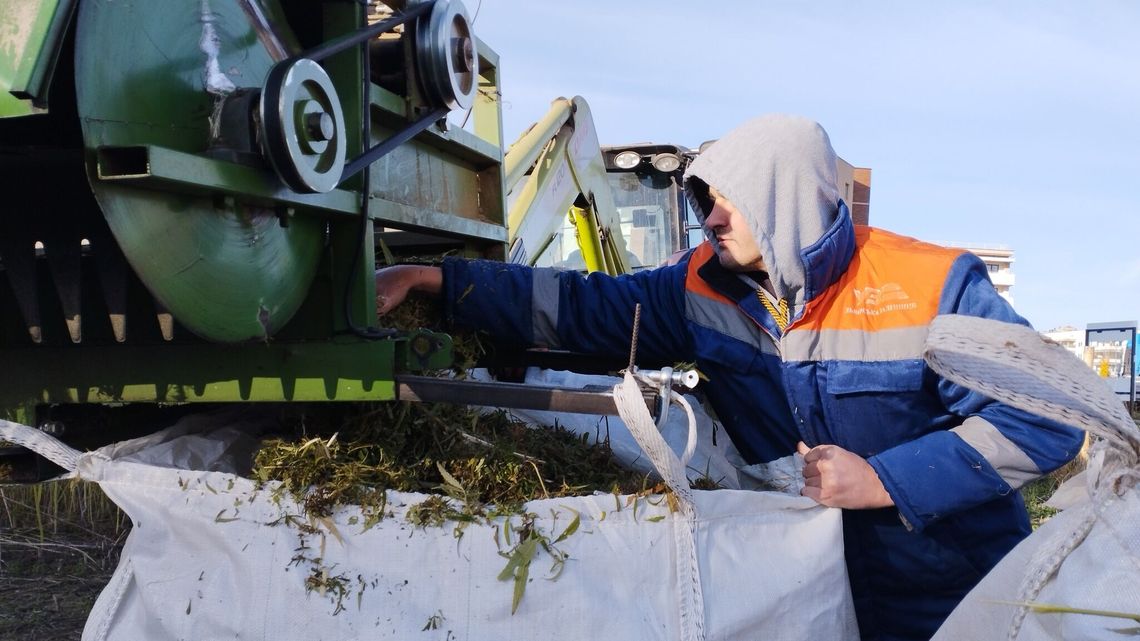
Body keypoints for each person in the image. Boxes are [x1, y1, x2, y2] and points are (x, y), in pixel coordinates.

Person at [374, 114, 1084, 641]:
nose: (709, 216)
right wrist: (434, 280)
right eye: (704, 196)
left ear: (783, 198)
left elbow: (1046, 414)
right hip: (813, 587)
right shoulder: (698, 288)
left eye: (727, 198)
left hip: (956, 589)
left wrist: (885, 479)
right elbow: (583, 308)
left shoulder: (930, 285)